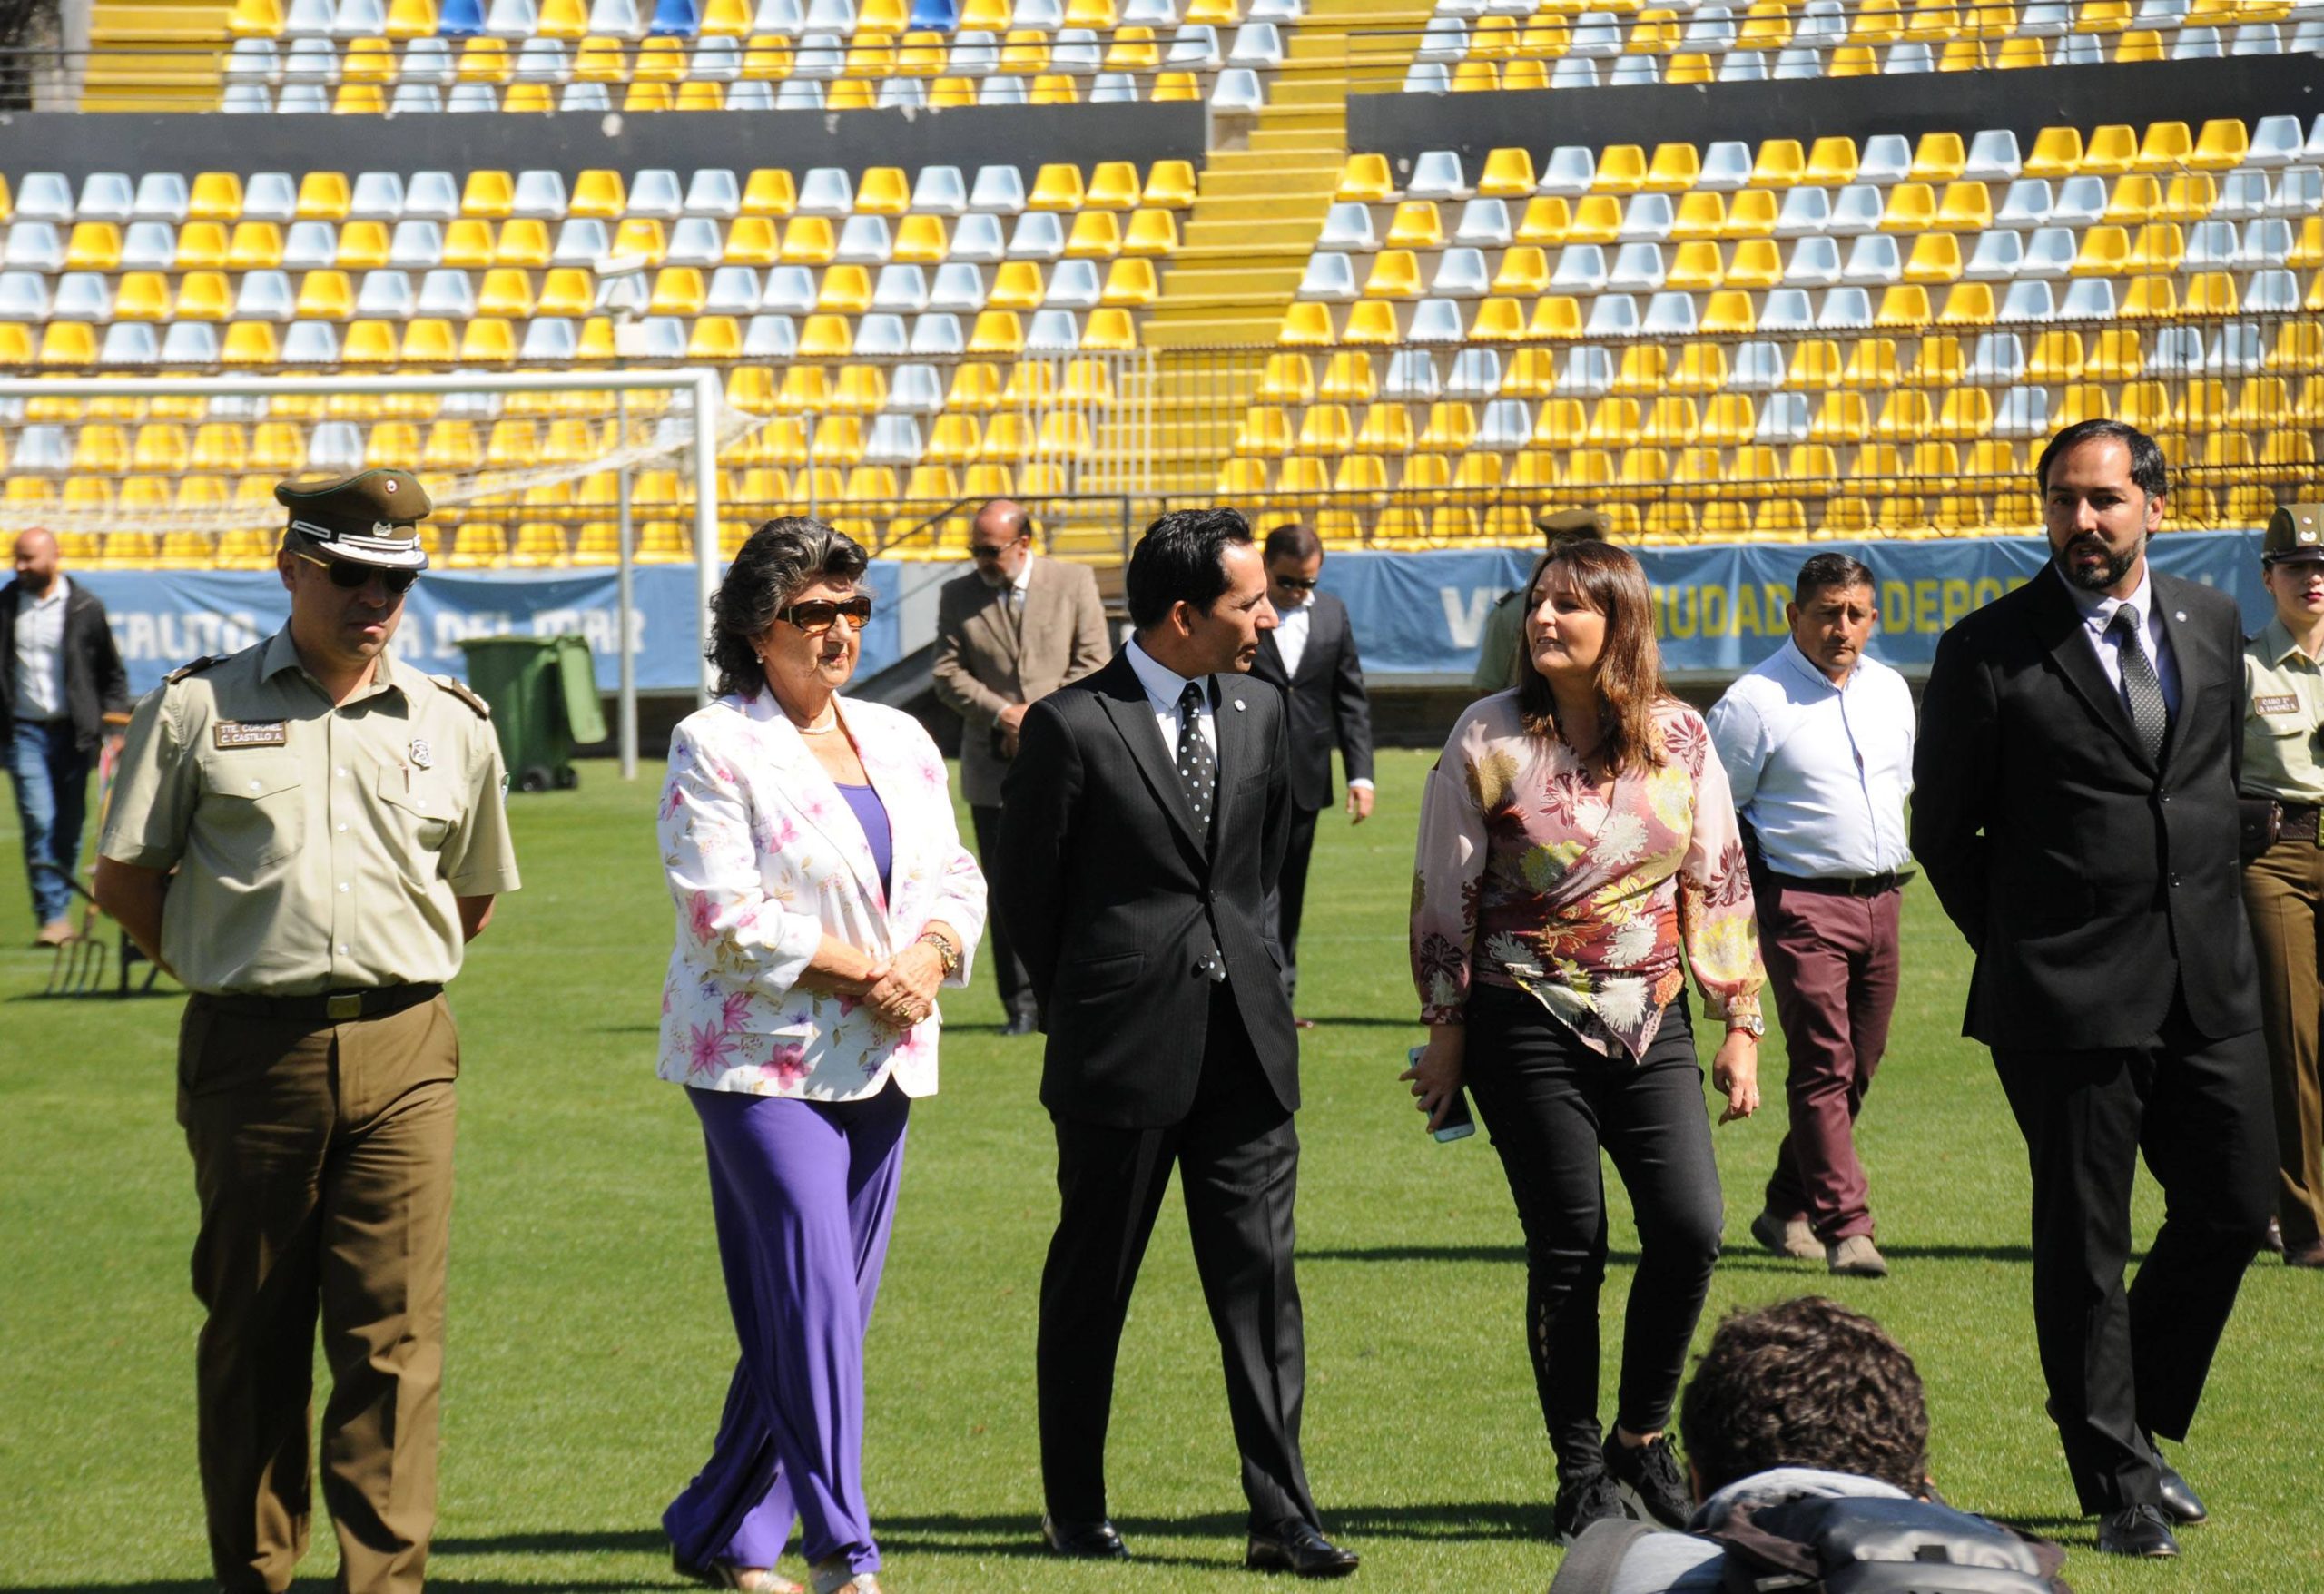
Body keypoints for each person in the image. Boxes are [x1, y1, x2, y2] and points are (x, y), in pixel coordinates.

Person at [92, 468, 519, 1594]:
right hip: (251, 1052)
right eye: (350, 575)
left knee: (394, 1343)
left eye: (396, 579)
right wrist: (232, 969)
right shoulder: (197, 706)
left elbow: (466, 897)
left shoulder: (453, 722)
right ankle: (257, 1577)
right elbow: (128, 877)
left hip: (408, 1048)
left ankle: (382, 1584)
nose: (374, 600)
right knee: (253, 1334)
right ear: (290, 567)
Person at [1913, 418, 2275, 1560]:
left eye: (2106, 500)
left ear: (2152, 509)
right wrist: (2023, 946)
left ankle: (2134, 1419)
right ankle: (2112, 1470)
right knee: (2085, 1242)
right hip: (2063, 998)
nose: (2084, 521)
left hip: (2208, 981)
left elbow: (2204, 786)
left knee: (2231, 1203)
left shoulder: (2213, 625)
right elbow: (1943, 830)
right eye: (2064, 500)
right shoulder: (1987, 648)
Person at [997, 507, 1359, 1579]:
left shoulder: (1258, 705)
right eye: (1249, 602)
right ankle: (1075, 1505)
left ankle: (1282, 1515)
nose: (1267, 618)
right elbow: (1027, 902)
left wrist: (1264, 981)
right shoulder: (1071, 725)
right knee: (1092, 1285)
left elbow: (1258, 879)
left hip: (1247, 1047)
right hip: (1120, 1056)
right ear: (1181, 613)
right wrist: (1100, 1003)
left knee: (1262, 1287)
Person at [1407, 537, 1765, 1546]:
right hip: (1522, 1016)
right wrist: (1445, 1029)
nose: (1546, 620)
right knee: (1571, 1242)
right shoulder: (1488, 736)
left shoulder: (1681, 736)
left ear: (1621, 622)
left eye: (1570, 605)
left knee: (1690, 1226)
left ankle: (1640, 1439)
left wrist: (1739, 1020)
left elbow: (1717, 877)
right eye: (1537, 604)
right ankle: (1577, 1470)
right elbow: (1447, 889)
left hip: (1654, 1018)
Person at [656, 517, 986, 1594]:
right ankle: (849, 1554)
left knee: (818, 1311)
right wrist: (868, 971)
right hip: (761, 1064)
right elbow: (725, 919)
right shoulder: (714, 742)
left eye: (853, 608)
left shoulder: (900, 737)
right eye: (813, 612)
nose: (840, 629)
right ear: (759, 631)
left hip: (886, 1056)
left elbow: (955, 879)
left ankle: (720, 1528)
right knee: (815, 1307)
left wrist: (931, 957)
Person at [1707, 554, 1914, 1279]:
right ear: (1794, 617)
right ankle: (1847, 1227)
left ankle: (1784, 1204)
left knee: (1858, 1065)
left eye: (1856, 613)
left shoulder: (1891, 692)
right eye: (1827, 613)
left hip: (1885, 899)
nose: (1842, 628)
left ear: (1874, 618)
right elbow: (1714, 814)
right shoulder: (1753, 703)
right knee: (1824, 1062)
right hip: (1800, 905)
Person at [930, 498, 1109, 1035]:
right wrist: (1003, 713)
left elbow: (1096, 661)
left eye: (991, 550)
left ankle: (1074, 995)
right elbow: (946, 673)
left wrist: (1040, 716)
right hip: (992, 767)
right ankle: (1021, 1007)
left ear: (1024, 543)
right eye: (975, 550)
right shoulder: (956, 595)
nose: (981, 560)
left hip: (1072, 762)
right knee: (1008, 888)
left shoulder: (1074, 581)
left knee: (1078, 880)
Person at [2238, 503, 2324, 1270]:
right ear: (2270, 577)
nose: (2315, 580)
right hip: (2278, 858)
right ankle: (2307, 1226)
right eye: (2299, 567)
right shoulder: (2241, 665)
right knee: (2292, 1038)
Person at [1247, 523, 1374, 1018]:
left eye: (1310, 583)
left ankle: (1281, 998)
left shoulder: (1333, 614)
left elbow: (1350, 699)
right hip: (1244, 772)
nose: (1300, 593)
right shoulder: (1239, 612)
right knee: (1250, 889)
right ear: (1265, 567)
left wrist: (1360, 776)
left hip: (1305, 777)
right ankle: (1251, 993)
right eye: (1289, 582)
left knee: (1290, 891)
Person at [3, 526, 130, 945]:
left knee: (69, 826)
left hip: (76, 735)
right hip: (23, 732)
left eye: (28, 559)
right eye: (16, 558)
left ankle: (59, 911)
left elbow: (111, 672)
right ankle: (53, 917)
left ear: (53, 557)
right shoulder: (4, 607)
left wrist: (114, 725)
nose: (19, 567)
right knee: (40, 818)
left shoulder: (84, 607)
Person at [1471, 508, 1606, 694]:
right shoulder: (1512, 612)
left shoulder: (1621, 604)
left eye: (1570, 605)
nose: (1543, 616)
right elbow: (1489, 690)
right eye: (1536, 604)